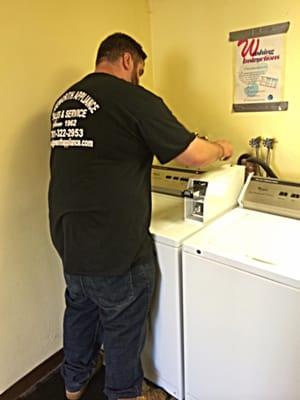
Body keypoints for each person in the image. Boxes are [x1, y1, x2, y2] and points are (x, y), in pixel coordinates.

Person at [48, 32, 233, 400]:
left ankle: (73, 383)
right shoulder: (132, 98)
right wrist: (222, 148)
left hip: (69, 240)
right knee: (122, 325)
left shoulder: (65, 101)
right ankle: (124, 393)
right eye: (141, 70)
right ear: (128, 61)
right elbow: (192, 155)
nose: (141, 77)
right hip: (115, 248)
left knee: (80, 311)